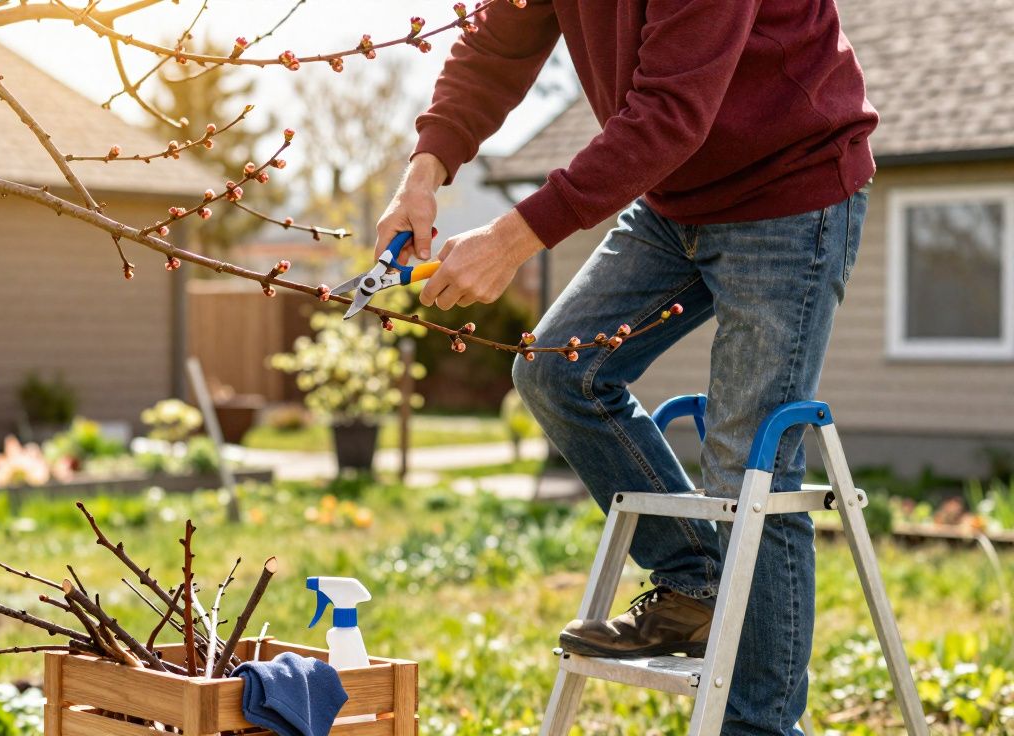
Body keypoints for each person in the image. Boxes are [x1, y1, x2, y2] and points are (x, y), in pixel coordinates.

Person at [374, 1, 876, 733]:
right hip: (675, 200)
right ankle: (695, 584)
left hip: (788, 188)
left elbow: (671, 110)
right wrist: (423, 171)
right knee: (555, 371)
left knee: (751, 470)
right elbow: (498, 44)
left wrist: (514, 239)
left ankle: (757, 724)